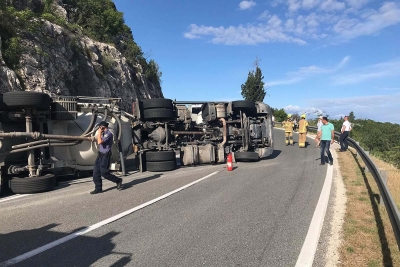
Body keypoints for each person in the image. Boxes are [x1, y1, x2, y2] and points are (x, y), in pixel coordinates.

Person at [91, 121, 123, 194]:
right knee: (95, 172)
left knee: (104, 173)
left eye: (100, 127)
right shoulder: (103, 133)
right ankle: (98, 188)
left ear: (103, 127)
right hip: (100, 155)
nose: (99, 128)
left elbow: (99, 142)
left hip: (106, 155)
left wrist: (99, 133)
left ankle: (118, 180)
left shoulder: (108, 134)